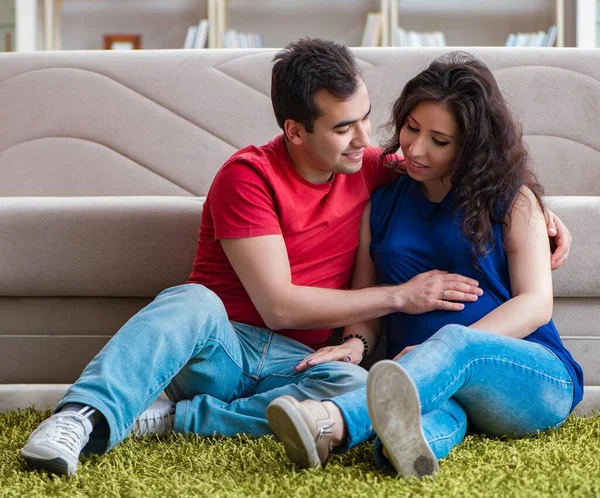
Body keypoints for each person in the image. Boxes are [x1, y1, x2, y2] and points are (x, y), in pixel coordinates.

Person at [19, 40, 569, 478]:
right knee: (192, 301)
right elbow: (284, 304)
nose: (374, 143)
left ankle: (185, 421)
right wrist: (390, 310)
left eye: (367, 119)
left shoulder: (379, 168)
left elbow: (489, 198)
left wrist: (542, 219)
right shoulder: (259, 178)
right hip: (226, 346)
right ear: (296, 131)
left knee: (379, 382)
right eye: (343, 128)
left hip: (324, 364)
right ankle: (81, 418)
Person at [266, 51, 583, 479]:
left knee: (455, 345)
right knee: (414, 417)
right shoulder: (381, 203)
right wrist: (355, 344)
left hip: (532, 378)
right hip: (426, 386)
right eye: (411, 128)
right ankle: (406, 452)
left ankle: (331, 422)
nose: (415, 148)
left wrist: (443, 349)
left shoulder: (511, 199)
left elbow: (536, 304)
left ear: (472, 145)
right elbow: (368, 303)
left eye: (439, 140)